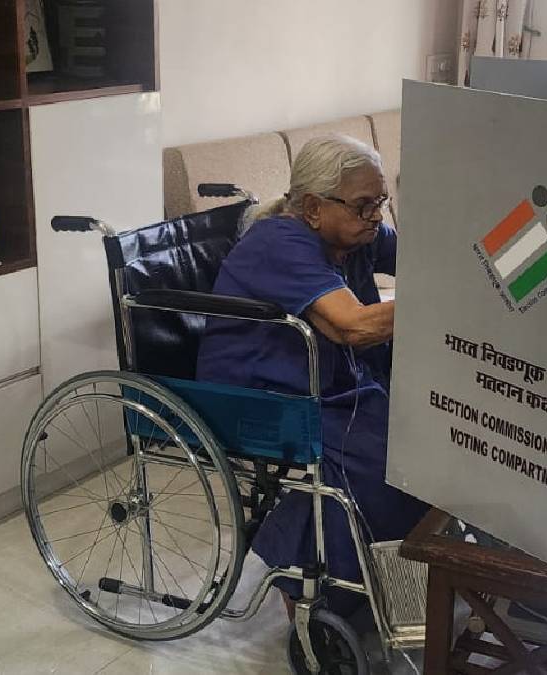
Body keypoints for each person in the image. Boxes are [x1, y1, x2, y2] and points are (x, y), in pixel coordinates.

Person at [197, 134, 428, 616]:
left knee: (423, 435)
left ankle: (401, 576)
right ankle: (317, 590)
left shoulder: (354, 233)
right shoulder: (281, 243)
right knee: (390, 457)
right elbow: (352, 326)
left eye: (381, 202)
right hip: (257, 395)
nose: (377, 217)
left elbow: (420, 257)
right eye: (365, 206)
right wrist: (446, 302)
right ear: (313, 207)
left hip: (322, 385)